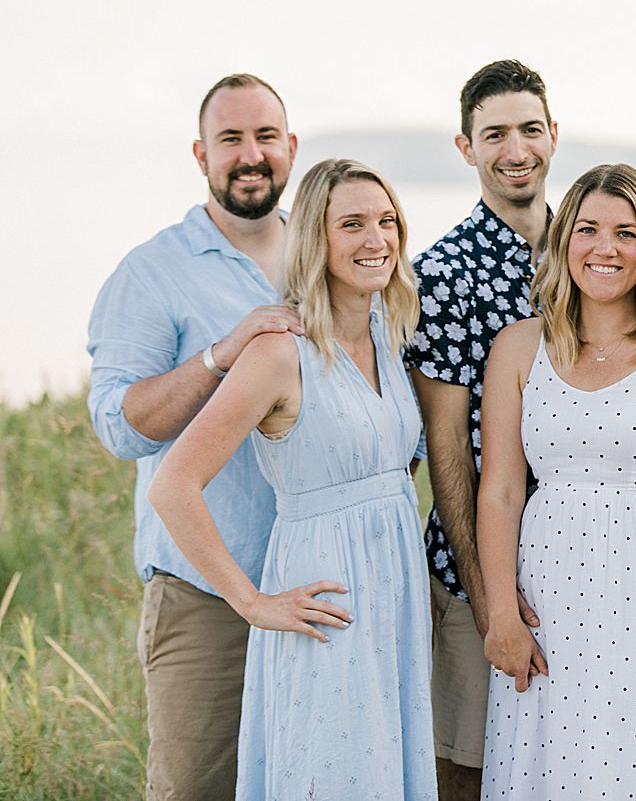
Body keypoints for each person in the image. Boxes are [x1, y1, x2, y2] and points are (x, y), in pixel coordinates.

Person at [148, 158, 437, 799]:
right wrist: (252, 602)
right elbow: (173, 485)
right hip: (324, 595)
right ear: (316, 238)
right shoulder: (280, 349)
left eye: (387, 222)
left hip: (393, 590)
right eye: (353, 224)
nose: (376, 240)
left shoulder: (391, 336)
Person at [476, 164, 636, 800]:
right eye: (588, 229)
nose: (605, 248)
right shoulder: (518, 347)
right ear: (564, 242)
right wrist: (502, 614)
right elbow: (501, 491)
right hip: (546, 604)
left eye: (626, 233)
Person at [87, 73, 302, 800]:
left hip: (319, 586)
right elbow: (120, 427)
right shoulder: (152, 273)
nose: (251, 154)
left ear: (291, 147)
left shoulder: (329, 255)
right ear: (200, 153)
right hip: (207, 598)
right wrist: (221, 353)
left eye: (265, 136)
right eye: (231, 139)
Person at [405, 59, 552, 799]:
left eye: (529, 128)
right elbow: (445, 448)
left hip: (585, 561)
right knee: (470, 768)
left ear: (554, 135)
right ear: (467, 148)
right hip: (475, 575)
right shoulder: (441, 273)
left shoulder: (597, 250)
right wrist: (488, 597)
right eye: (494, 134)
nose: (515, 148)